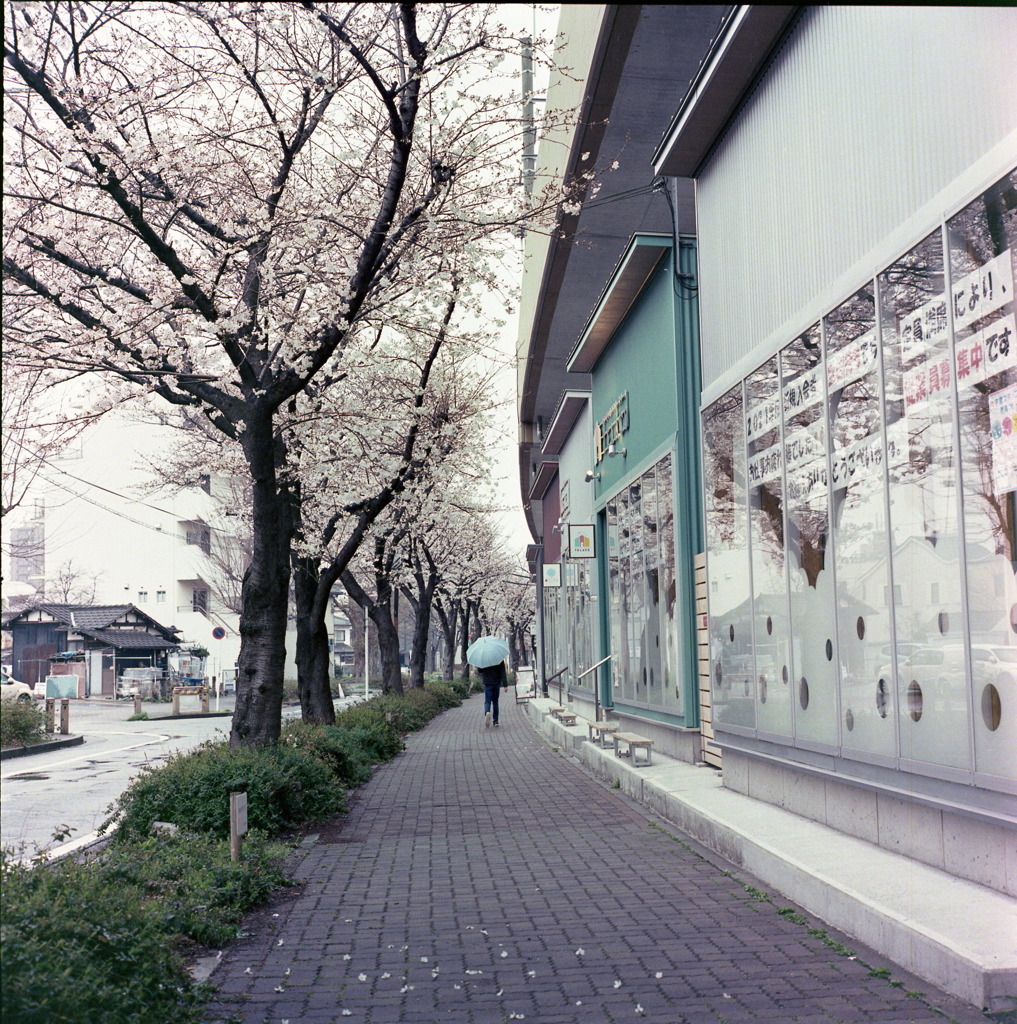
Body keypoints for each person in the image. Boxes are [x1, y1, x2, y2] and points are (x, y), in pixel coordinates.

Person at [480, 660, 508, 728]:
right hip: (496, 683)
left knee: (487, 701)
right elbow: (502, 672)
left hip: (487, 683)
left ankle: (487, 712)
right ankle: (495, 721)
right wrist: (505, 685)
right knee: (495, 702)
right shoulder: (499, 659)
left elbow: (480, 670)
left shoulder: (484, 659)